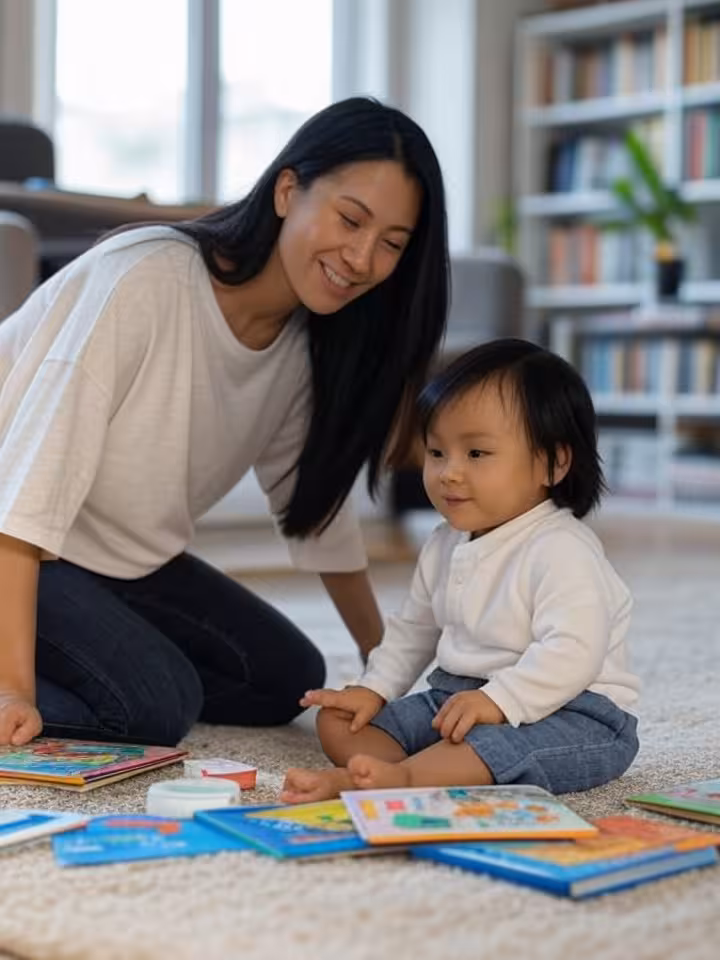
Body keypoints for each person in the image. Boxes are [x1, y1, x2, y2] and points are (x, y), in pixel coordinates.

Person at [0, 97, 450, 748]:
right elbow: (25, 492)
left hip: (105, 557)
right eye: (351, 220)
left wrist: (386, 670)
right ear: (288, 190)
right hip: (12, 530)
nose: (360, 257)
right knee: (154, 705)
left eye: (391, 245)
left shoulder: (302, 341)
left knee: (285, 676)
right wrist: (14, 688)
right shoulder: (146, 277)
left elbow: (314, 509)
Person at [281, 339, 640, 803]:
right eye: (436, 453)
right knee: (338, 722)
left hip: (573, 711)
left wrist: (500, 701)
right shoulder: (443, 542)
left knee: (488, 749)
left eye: (475, 454)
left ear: (553, 462)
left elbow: (574, 651)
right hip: (457, 696)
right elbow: (413, 629)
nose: (449, 472)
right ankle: (401, 770)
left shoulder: (562, 548)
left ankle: (400, 780)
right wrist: (374, 689)